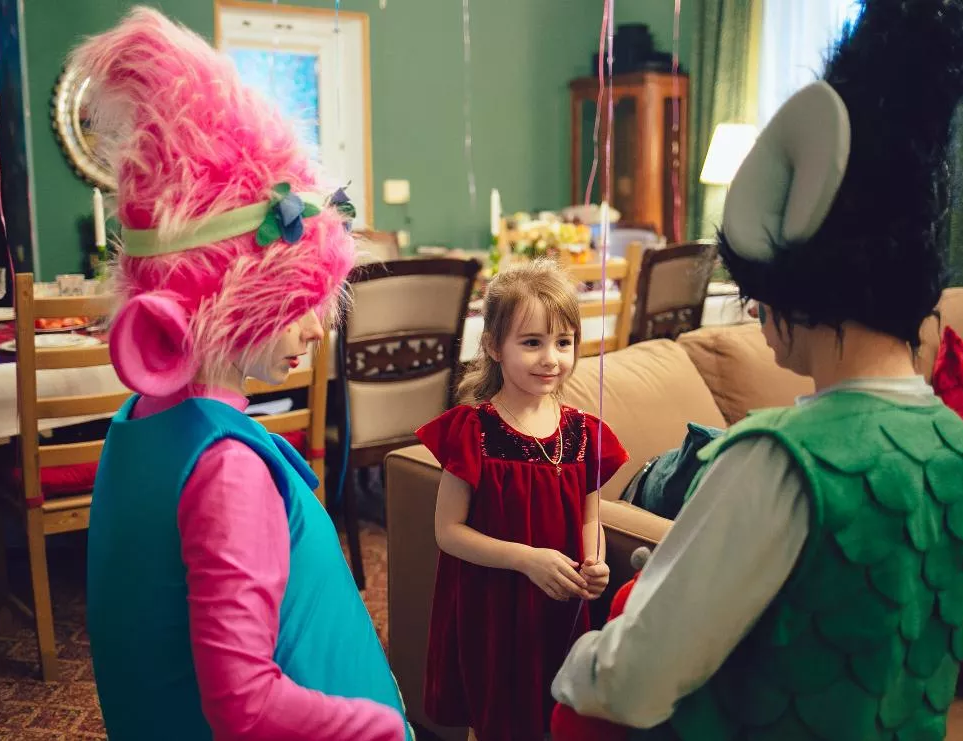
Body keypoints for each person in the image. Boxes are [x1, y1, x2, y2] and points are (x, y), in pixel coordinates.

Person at [551, 1, 963, 739]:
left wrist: (574, 665)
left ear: (799, 286)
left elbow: (633, 680)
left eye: (758, 291)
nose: (754, 309)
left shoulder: (776, 461)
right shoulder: (955, 445)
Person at [75, 8, 409, 740]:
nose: (316, 330)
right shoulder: (226, 470)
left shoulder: (142, 422)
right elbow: (245, 705)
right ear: (228, 301)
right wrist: (381, 725)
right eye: (296, 303)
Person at [415, 259, 629, 740]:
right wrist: (525, 559)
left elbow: (590, 518)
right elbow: (448, 532)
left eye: (563, 342)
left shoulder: (583, 433)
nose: (551, 358)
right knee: (494, 712)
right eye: (532, 342)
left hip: (558, 599)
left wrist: (595, 559)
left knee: (553, 714)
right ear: (494, 346)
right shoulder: (473, 430)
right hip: (493, 603)